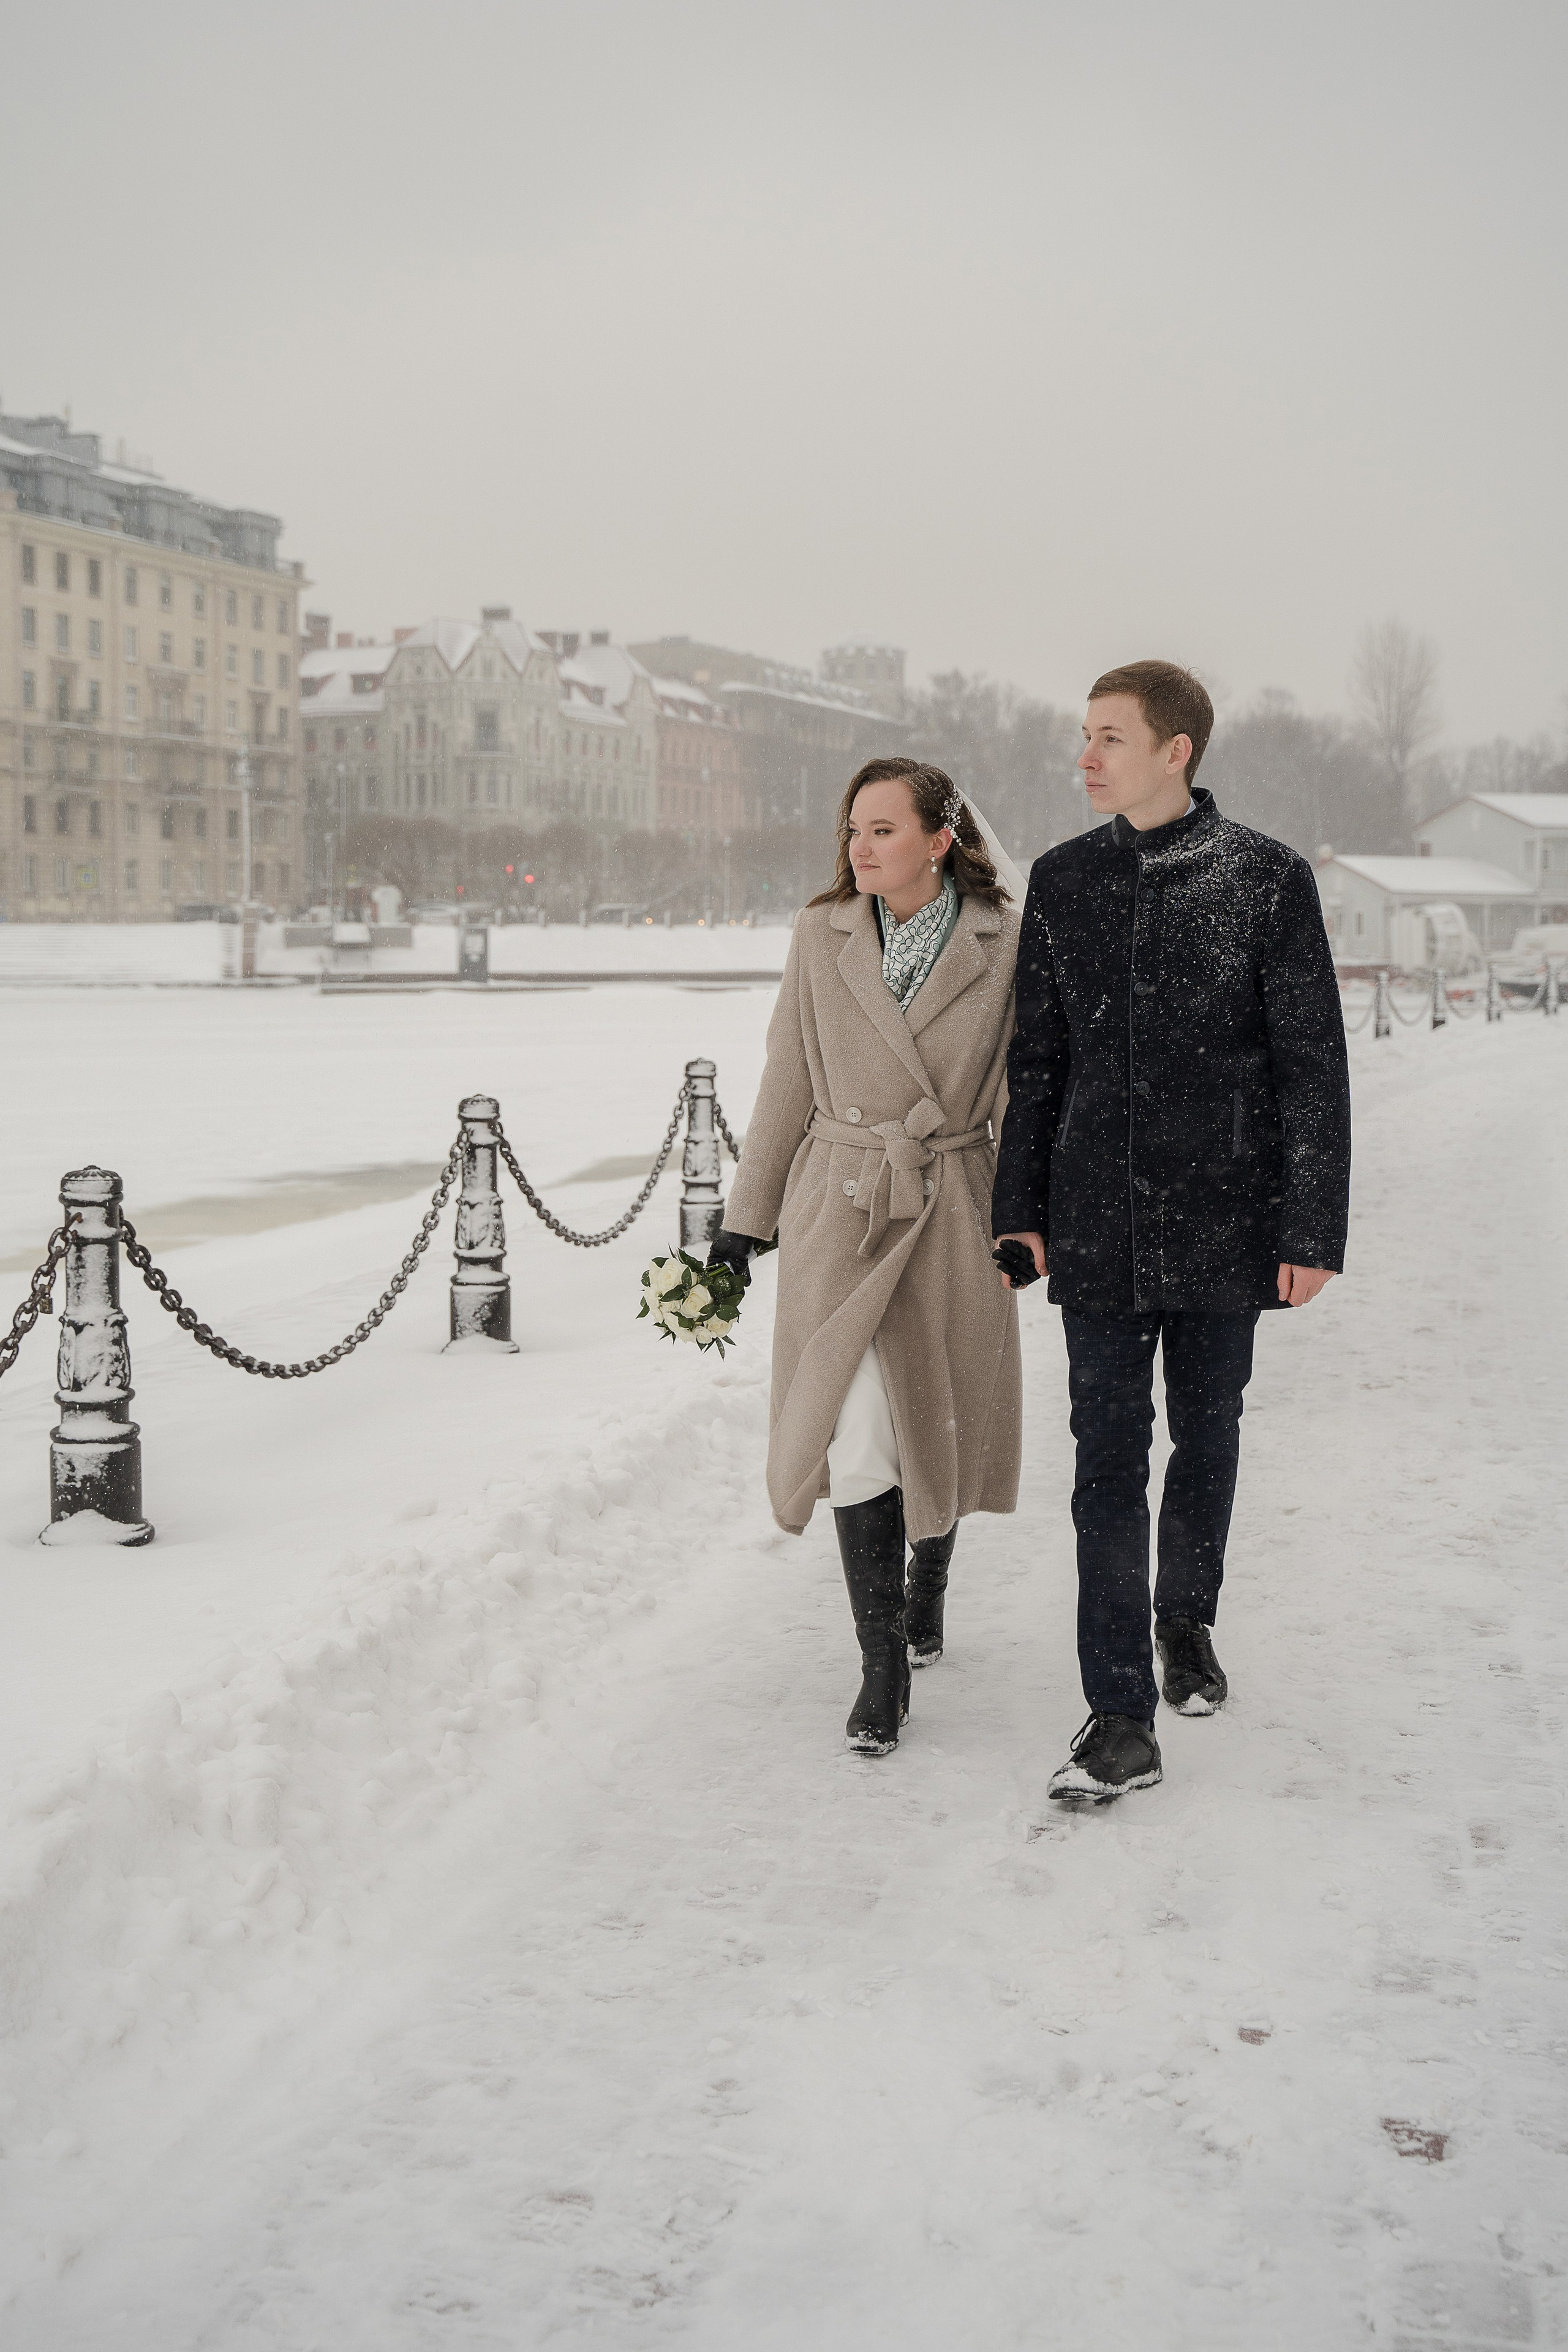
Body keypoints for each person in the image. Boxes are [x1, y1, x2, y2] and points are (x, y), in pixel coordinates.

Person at [992, 660, 1351, 1804]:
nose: (1086, 757)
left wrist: (1312, 1228)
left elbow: (1312, 1067)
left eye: (1109, 737)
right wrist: (1020, 1213)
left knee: (1208, 1437)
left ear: (1175, 750)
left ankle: (1185, 1623)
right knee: (1105, 1467)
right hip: (1095, 1226)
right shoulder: (1062, 879)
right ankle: (1117, 1713)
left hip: (1226, 1223)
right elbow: (1037, 1061)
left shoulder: (1267, 878)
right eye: (1084, 736)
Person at [710, 757, 1023, 1755]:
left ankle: (929, 1575)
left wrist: (1027, 1216)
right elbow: (786, 1081)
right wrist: (742, 1224)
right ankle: (880, 1664)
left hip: (950, 1197)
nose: (861, 847)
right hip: (839, 1205)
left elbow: (1026, 1090)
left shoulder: (1006, 942)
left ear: (941, 838)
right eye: (854, 829)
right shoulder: (821, 934)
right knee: (851, 1424)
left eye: (884, 829)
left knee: (931, 1408)